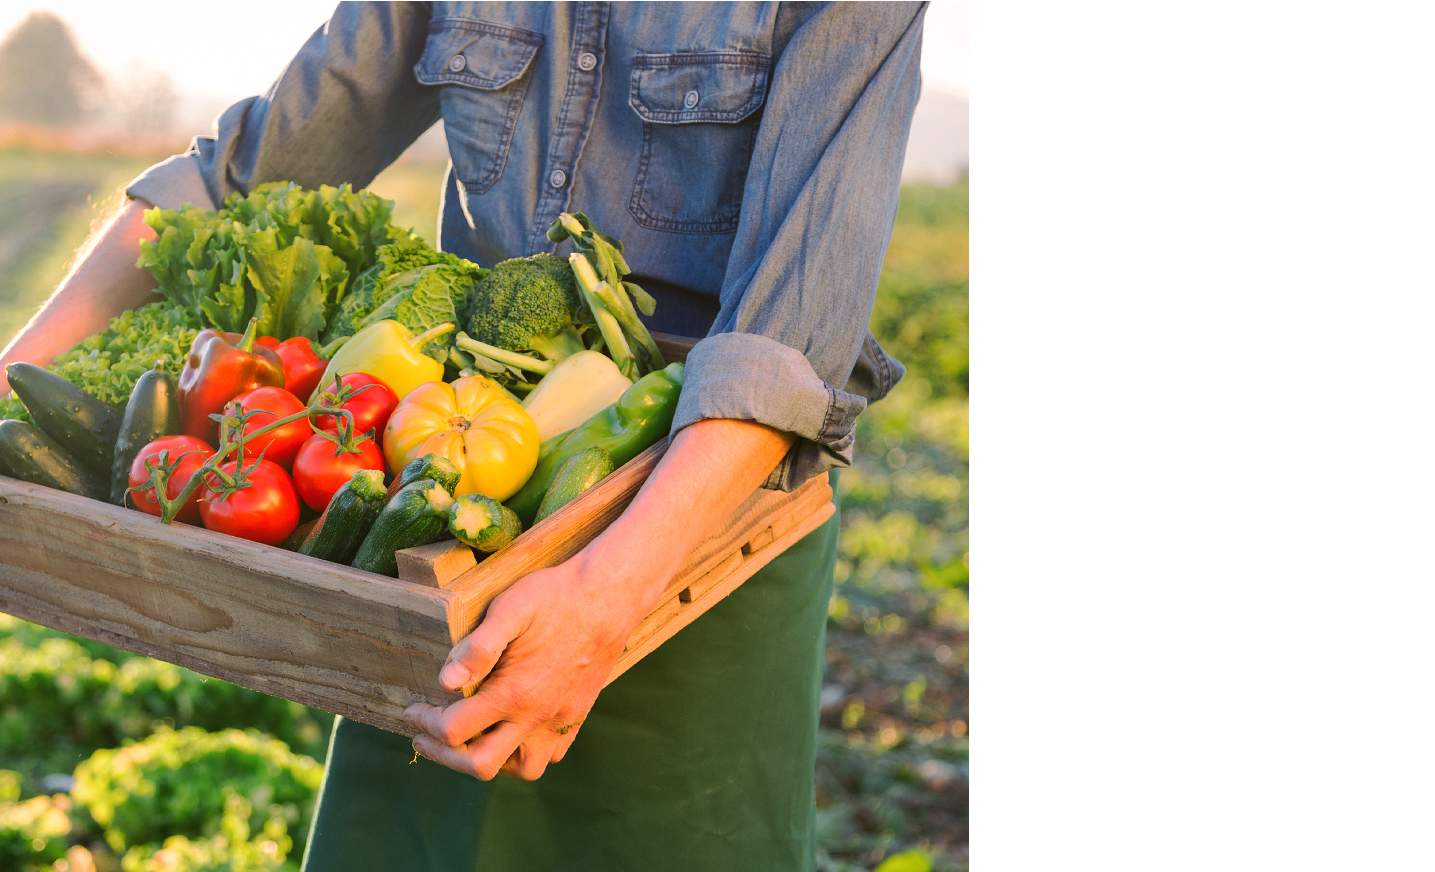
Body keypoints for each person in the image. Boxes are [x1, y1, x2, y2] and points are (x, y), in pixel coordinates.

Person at [0, 2, 923, 869]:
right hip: (448, 530)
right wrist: (12, 375)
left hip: (702, 523)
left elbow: (786, 336)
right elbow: (242, 176)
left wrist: (606, 599)